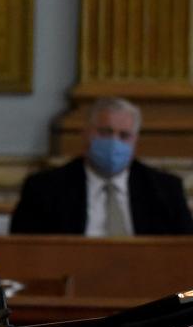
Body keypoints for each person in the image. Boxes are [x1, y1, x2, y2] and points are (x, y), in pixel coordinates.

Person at [10, 97, 193, 235]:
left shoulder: (166, 191)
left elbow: (183, 253)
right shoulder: (44, 189)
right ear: (86, 134)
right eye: (105, 132)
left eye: (124, 135)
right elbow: (25, 253)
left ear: (135, 141)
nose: (114, 142)